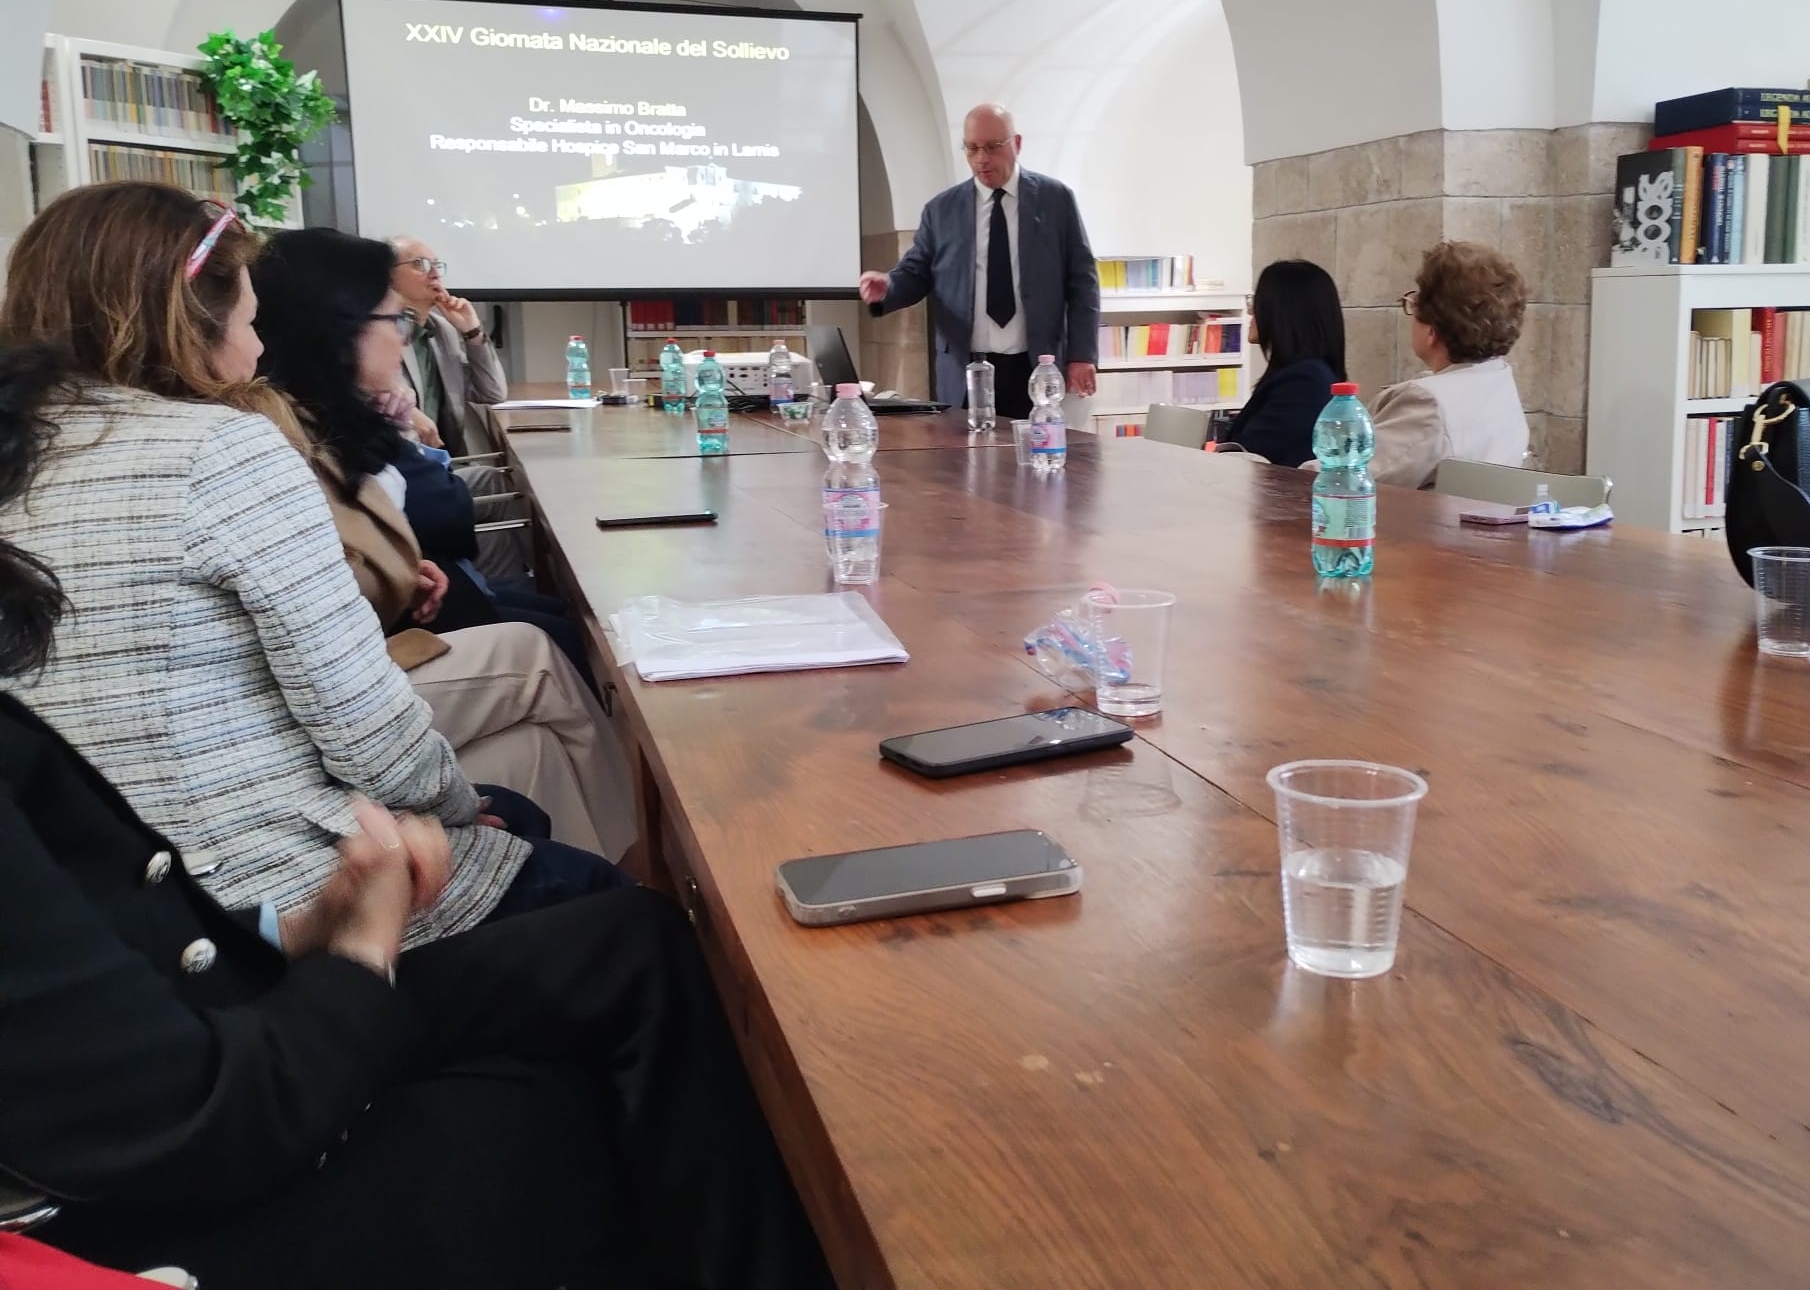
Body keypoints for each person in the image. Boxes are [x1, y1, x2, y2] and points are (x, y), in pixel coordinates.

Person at [0, 372, 834, 1288]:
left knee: (634, 939)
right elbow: (198, 1126)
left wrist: (297, 928)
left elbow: (112, 953)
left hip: (226, 1011)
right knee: (585, 1099)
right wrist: (360, 948)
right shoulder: (212, 454)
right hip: (185, 1192)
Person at [0, 184, 624, 937]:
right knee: (630, 915)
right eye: (248, 323)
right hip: (259, 897)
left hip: (91, 897)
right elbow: (359, 719)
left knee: (534, 756)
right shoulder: (216, 448)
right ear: (188, 325)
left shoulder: (25, 449)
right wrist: (460, 810)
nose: (260, 349)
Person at [253, 229, 597, 689]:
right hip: (378, 649)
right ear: (340, 326)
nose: (402, 339)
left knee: (571, 625)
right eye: (395, 319)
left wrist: (472, 331)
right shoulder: (303, 426)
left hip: (417, 582)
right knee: (563, 642)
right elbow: (438, 510)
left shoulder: (438, 333)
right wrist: (401, 431)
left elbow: (493, 394)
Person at [859, 103, 1100, 418]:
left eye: (992, 146)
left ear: (1016, 144)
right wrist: (888, 286)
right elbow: (916, 272)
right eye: (972, 148)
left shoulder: (1055, 199)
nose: (981, 159)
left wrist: (1082, 355)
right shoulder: (942, 210)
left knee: (1037, 448)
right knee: (965, 451)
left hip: (1035, 366)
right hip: (965, 371)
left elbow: (1082, 281)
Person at [1371, 240, 1531, 489]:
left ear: (1432, 330)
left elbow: (1346, 480)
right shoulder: (1498, 376)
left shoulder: (1428, 403)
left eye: (1414, 304)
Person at [1220, 259, 1345, 467]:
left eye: (1257, 300)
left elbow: (1254, 456)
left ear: (1282, 311)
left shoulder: (1305, 381)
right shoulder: (1301, 373)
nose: (1250, 310)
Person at [388, 234, 505, 457]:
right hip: (402, 462)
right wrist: (409, 413)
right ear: (389, 275)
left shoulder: (443, 330)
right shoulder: (379, 333)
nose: (434, 274)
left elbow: (493, 393)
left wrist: (472, 331)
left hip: (444, 460)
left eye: (436, 265)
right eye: (420, 264)